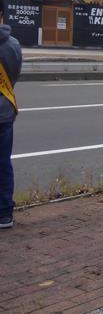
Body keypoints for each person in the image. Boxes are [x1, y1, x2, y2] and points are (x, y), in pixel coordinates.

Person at [0, 23, 21, 229]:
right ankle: (5, 213)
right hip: (5, 110)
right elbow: (14, 76)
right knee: (3, 163)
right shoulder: (13, 45)